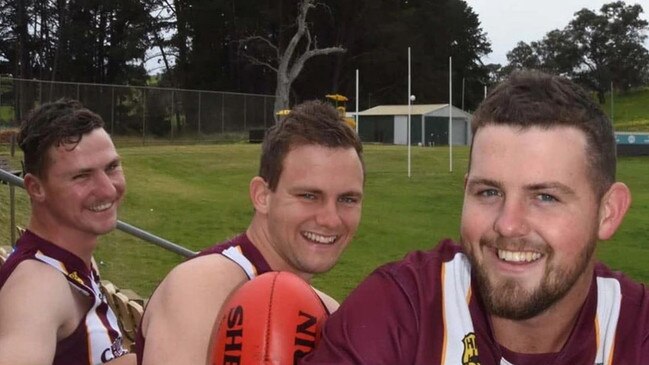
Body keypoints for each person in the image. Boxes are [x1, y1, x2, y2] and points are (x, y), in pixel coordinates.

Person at [301, 70, 649, 364]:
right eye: (489, 192)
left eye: (545, 197)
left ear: (608, 212)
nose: (508, 224)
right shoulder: (401, 312)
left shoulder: (636, 332)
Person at [136, 100, 365, 365]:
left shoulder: (327, 310)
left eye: (348, 199)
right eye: (309, 195)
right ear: (262, 196)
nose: (330, 219)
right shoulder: (204, 288)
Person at [0, 99, 135, 364]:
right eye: (81, 176)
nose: (108, 189)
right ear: (36, 188)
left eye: (111, 167)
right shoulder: (37, 287)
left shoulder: (72, 260)